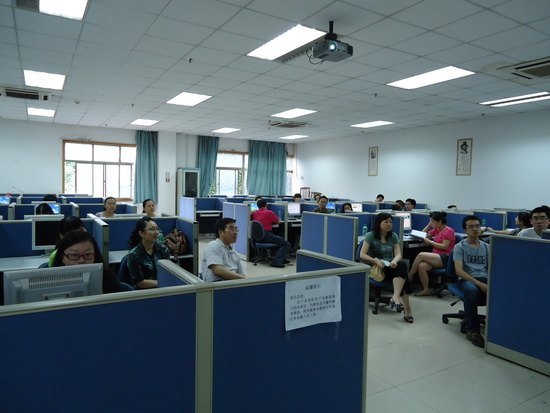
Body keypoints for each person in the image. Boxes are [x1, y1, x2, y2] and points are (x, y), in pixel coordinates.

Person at [359, 213, 413, 323]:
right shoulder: (371, 235)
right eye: (386, 222)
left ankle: (396, 297)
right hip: (377, 268)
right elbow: (362, 254)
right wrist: (375, 261)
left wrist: (394, 261)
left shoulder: (393, 236)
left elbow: (398, 254)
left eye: (390, 222)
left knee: (401, 265)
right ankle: (407, 309)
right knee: (403, 275)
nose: (389, 224)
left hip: (390, 266)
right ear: (379, 223)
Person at [453, 215, 490, 348]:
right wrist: (480, 284)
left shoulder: (487, 247)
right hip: (466, 278)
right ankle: (473, 330)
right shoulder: (460, 247)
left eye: (477, 226)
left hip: (484, 278)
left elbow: (491, 268)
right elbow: (459, 271)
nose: (475, 229)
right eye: (471, 227)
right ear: (465, 229)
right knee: (471, 289)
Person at [51, 229, 124, 293]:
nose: (82, 260)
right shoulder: (51, 282)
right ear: (62, 258)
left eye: (88, 254)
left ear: (95, 255)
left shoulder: (109, 280)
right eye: (74, 255)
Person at [408, 211, 455, 296]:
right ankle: (426, 289)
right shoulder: (437, 229)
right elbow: (422, 235)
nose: (431, 223)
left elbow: (444, 247)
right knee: (422, 266)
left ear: (440, 222)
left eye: (432, 221)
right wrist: (428, 226)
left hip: (445, 258)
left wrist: (431, 242)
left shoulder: (449, 231)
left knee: (421, 255)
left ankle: (410, 275)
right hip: (436, 257)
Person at [126, 217, 171, 289]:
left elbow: (168, 272)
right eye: (152, 229)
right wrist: (163, 283)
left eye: (157, 229)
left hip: (163, 287)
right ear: (141, 233)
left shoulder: (163, 249)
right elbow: (140, 282)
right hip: (144, 291)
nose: (156, 232)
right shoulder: (133, 255)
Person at [201, 218, 246, 282]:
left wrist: (245, 278)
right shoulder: (213, 246)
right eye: (231, 229)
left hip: (232, 284)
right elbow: (218, 270)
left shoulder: (234, 253)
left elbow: (242, 274)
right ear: (220, 232)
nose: (235, 233)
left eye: (236, 229)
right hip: (217, 285)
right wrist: (243, 278)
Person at [251, 199, 290, 268]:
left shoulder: (254, 213)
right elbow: (278, 222)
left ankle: (281, 259)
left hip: (257, 238)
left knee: (279, 240)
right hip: (266, 235)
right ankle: (276, 262)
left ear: (257, 206)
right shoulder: (269, 212)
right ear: (266, 205)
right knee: (286, 244)